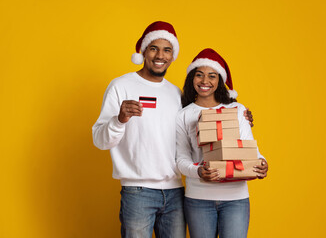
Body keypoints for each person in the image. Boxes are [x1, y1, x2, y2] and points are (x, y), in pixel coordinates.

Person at [92, 21, 254, 237]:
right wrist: (119, 119)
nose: (160, 55)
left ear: (172, 56)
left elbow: (202, 121)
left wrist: (240, 116)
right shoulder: (120, 86)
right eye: (154, 48)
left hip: (176, 192)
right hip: (137, 191)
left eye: (167, 50)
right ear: (143, 52)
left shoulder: (177, 95)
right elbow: (100, 140)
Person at [176, 48, 268, 238]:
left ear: (219, 81)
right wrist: (198, 171)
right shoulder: (184, 115)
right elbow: (181, 159)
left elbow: (250, 148)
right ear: (192, 78)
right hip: (199, 198)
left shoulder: (237, 109)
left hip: (235, 199)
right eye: (199, 75)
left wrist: (261, 163)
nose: (205, 81)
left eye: (212, 76)